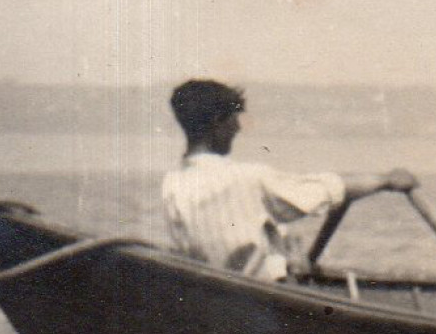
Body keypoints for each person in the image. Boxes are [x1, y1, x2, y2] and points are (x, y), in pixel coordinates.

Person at [161, 79, 418, 281]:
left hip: (215, 299)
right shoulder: (249, 178)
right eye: (234, 120)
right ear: (219, 122)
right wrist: (386, 180)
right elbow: (328, 189)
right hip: (260, 305)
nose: (238, 128)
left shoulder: (173, 185)